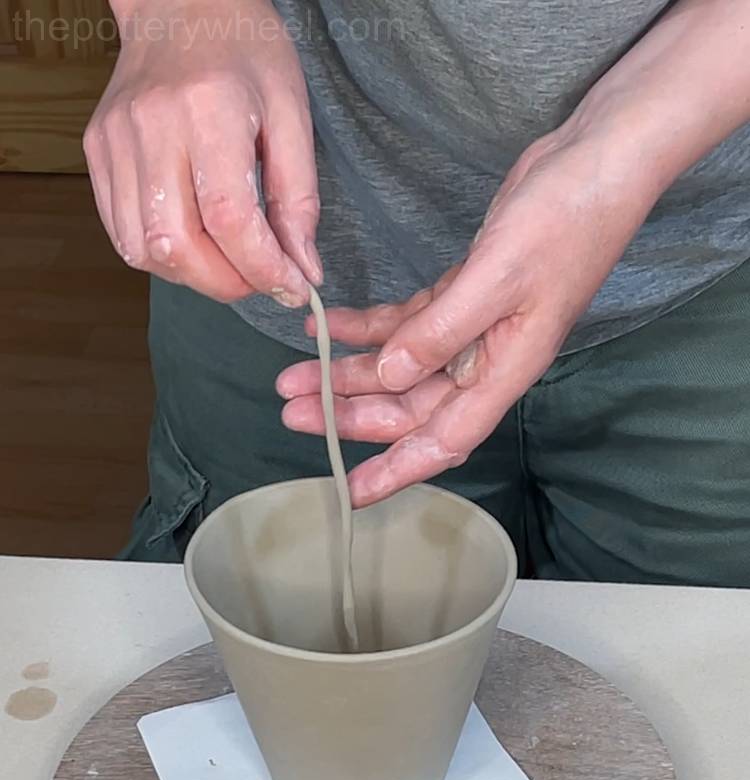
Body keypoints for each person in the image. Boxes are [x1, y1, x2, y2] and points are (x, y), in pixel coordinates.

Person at [85, 0, 750, 585]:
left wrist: (619, 155)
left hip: (706, 275)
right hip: (291, 267)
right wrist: (175, 12)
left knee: (691, 689)